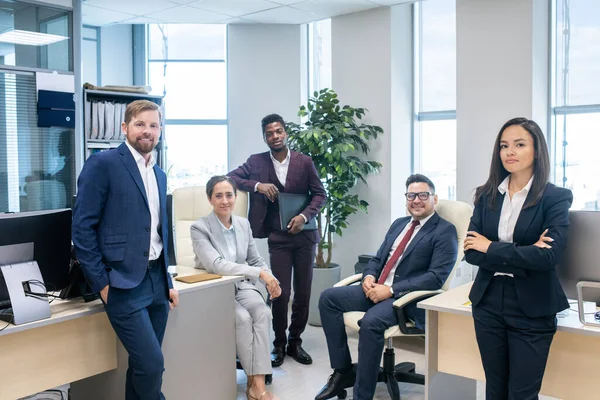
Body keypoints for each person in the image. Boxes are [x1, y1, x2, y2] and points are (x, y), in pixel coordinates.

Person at [315, 174, 458, 400]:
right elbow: (378, 257)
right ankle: (343, 370)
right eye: (411, 195)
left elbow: (435, 278)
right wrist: (369, 276)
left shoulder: (445, 231)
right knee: (328, 298)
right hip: (376, 289)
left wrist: (391, 290)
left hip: (404, 298)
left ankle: (362, 396)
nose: (417, 200)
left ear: (435, 198)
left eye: (423, 195)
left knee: (371, 322)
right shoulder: (399, 224)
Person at [72, 99, 179, 400]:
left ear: (160, 131)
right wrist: (101, 283)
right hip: (121, 283)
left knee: (143, 365)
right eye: (140, 124)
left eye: (154, 125)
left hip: (156, 281)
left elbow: (160, 232)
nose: (147, 131)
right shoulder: (103, 164)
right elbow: (82, 228)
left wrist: (167, 280)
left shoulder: (158, 174)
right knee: (153, 363)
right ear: (124, 128)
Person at [464, 117, 573, 400]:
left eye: (519, 144)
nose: (509, 152)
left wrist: (491, 247)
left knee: (522, 395)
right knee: (495, 389)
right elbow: (471, 252)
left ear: (537, 151)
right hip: (488, 301)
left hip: (532, 305)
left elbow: (547, 257)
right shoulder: (486, 195)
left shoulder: (555, 198)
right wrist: (523, 252)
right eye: (504, 146)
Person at [228, 113, 326, 367]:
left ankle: (295, 342)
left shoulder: (304, 162)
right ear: (265, 137)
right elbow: (231, 178)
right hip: (277, 237)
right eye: (270, 133)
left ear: (286, 133)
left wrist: (304, 216)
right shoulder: (256, 162)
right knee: (280, 292)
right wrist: (258, 185)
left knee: (303, 293)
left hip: (304, 237)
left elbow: (319, 194)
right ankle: (278, 344)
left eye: (279, 131)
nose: (275, 136)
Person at [190, 175, 281, 400]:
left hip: (242, 286)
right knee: (242, 319)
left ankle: (256, 383)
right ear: (209, 199)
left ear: (236, 197)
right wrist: (258, 274)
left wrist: (270, 276)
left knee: (262, 312)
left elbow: (255, 259)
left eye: (229, 195)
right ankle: (257, 386)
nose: (225, 201)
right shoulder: (199, 228)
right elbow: (216, 265)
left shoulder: (243, 224)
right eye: (218, 196)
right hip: (216, 289)